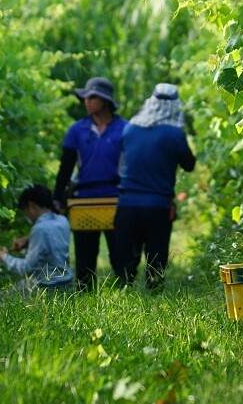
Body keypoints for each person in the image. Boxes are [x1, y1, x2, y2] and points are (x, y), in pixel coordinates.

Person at [114, 83, 196, 290]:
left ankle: (125, 289)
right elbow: (189, 165)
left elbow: (123, 162)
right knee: (156, 255)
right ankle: (154, 290)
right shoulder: (175, 134)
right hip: (158, 204)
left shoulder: (130, 128)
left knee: (127, 255)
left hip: (127, 204)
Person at [54, 76, 127, 289]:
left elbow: (132, 166)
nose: (86, 101)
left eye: (92, 97)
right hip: (84, 200)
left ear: (105, 100)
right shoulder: (76, 130)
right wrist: (57, 198)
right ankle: (85, 295)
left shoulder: (125, 129)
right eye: (85, 97)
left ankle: (127, 293)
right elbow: (66, 167)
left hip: (116, 198)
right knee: (85, 256)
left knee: (120, 253)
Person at [0, 184, 74, 292]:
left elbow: (26, 268)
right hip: (67, 284)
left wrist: (4, 257)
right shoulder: (62, 220)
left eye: (25, 211)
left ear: (31, 205)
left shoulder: (39, 229)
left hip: (47, 287)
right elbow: (51, 237)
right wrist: (28, 240)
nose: (26, 215)